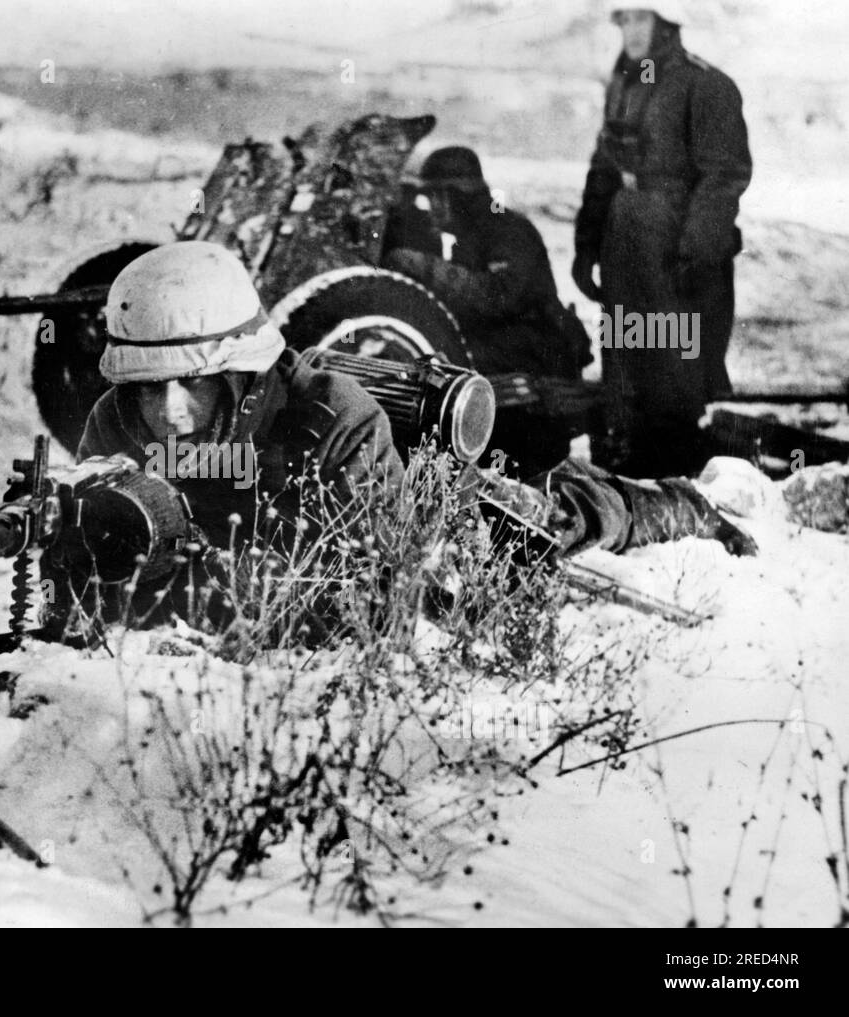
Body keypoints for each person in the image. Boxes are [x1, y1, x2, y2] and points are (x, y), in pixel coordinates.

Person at [41, 241, 754, 640]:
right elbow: (108, 548)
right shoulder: (117, 417)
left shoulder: (332, 417)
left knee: (556, 519)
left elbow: (373, 601)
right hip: (273, 548)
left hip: (423, 508)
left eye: (188, 383)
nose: (164, 409)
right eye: (147, 383)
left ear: (237, 370)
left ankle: (685, 500)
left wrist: (198, 580)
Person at [573, 3, 751, 477]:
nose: (631, 31)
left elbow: (724, 175)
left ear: (666, 24)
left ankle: (681, 475)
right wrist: (587, 244)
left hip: (674, 246)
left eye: (641, 19)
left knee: (676, 365)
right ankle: (629, 464)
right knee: (626, 355)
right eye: (624, 20)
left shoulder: (705, 85)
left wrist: (697, 251)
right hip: (624, 239)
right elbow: (603, 167)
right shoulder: (626, 83)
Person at [382, 146, 593, 476]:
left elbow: (497, 297)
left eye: (436, 196)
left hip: (537, 359)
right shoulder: (475, 233)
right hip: (516, 353)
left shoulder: (507, 229)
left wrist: (422, 266)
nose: (431, 207)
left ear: (456, 196)